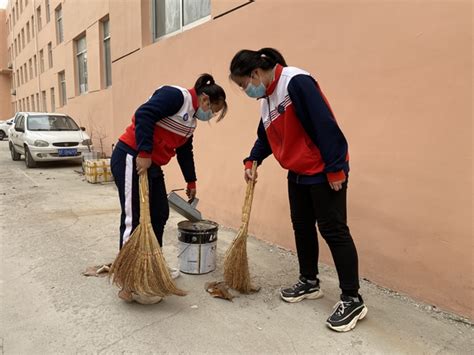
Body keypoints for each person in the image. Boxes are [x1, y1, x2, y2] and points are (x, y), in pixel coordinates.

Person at [229, 48, 367, 332]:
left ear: (255, 74)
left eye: (244, 85)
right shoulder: (267, 99)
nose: (247, 91)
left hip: (323, 169)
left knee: (333, 230)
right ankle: (309, 281)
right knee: (302, 226)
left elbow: (324, 124)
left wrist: (336, 167)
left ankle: (352, 299)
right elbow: (265, 137)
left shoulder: (295, 82)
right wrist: (251, 159)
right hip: (299, 172)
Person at [111, 73, 227, 302]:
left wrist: (191, 181)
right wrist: (144, 152)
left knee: (160, 214)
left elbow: (185, 152)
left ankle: (152, 267)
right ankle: (128, 280)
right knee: (133, 219)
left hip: (152, 164)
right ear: (204, 99)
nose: (211, 115)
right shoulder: (176, 96)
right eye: (213, 109)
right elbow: (144, 114)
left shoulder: (191, 122)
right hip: (131, 157)